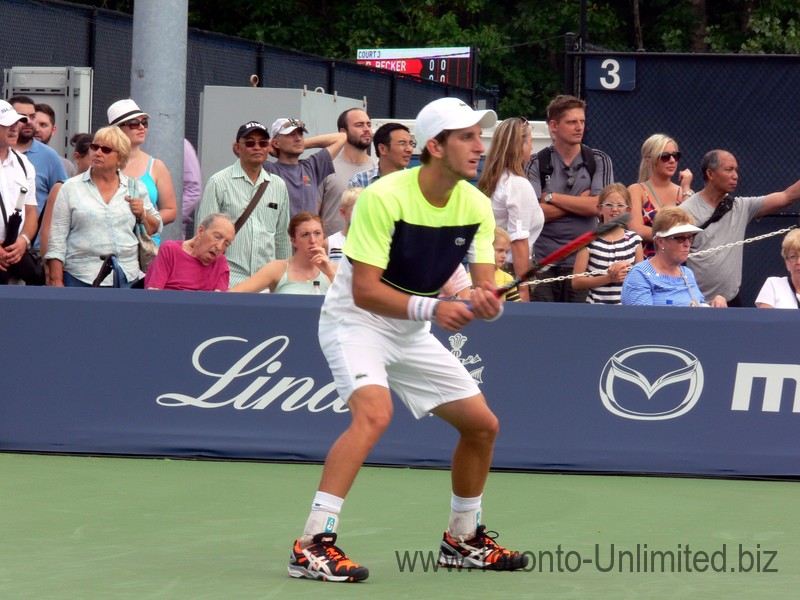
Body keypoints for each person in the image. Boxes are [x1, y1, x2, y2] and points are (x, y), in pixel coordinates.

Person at [287, 97, 527, 584]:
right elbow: (366, 290)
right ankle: (311, 545)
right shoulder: (383, 196)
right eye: (467, 137)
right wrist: (436, 308)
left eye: (480, 137)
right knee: (375, 413)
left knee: (482, 426)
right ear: (435, 147)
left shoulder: (477, 205)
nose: (480, 147)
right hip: (356, 321)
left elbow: (483, 287)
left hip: (412, 328)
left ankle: (462, 539)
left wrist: (486, 303)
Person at [45, 126, 162, 287]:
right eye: (94, 147)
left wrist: (142, 213)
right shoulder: (70, 188)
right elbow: (57, 240)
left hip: (126, 278)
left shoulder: (135, 187)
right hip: (79, 278)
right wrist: (56, 281)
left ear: (120, 157)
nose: (98, 153)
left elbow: (155, 227)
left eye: (106, 149)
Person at [681, 149, 800, 306]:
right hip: (694, 303)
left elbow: (786, 196)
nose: (735, 176)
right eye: (729, 169)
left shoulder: (741, 206)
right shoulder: (685, 211)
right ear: (710, 174)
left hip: (730, 302)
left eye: (736, 170)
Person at [525, 95, 614, 302]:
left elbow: (598, 207)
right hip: (544, 262)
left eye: (582, 121)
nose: (579, 127)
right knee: (544, 327)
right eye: (572, 122)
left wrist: (551, 196)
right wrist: (579, 201)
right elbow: (535, 215)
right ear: (554, 126)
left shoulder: (599, 160)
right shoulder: (537, 163)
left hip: (585, 262)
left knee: (580, 330)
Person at [195, 121, 291, 287]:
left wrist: (282, 282)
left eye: (262, 143)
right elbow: (203, 238)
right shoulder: (218, 182)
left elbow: (282, 239)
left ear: (268, 148)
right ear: (237, 148)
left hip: (266, 283)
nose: (257, 147)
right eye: (249, 143)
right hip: (227, 280)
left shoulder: (279, 185)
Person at [478, 117, 544, 301]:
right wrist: (522, 288)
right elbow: (519, 239)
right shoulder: (517, 184)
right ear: (520, 145)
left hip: (490, 265)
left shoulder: (494, 179)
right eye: (530, 141)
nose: (532, 147)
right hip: (510, 269)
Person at [621, 207, 726, 307]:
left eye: (690, 237)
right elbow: (642, 321)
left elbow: (697, 308)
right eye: (680, 238)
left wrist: (714, 304)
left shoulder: (687, 273)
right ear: (660, 241)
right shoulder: (640, 274)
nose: (687, 244)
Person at [107, 99, 177, 243]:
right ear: (117, 129)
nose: (141, 127)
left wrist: (146, 216)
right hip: (111, 245)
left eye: (144, 122)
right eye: (133, 123)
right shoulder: (105, 164)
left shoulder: (156, 166)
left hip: (146, 250)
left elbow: (170, 210)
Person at [9, 95, 67, 251]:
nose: (28, 121)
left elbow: (63, 202)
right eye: (22, 116)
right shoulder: (4, 154)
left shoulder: (49, 157)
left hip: (33, 249)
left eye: (32, 116)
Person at [572, 184, 643, 304]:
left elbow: (642, 278)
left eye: (620, 205)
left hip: (627, 309)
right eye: (609, 205)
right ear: (600, 208)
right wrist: (608, 278)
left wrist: (627, 267)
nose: (614, 209)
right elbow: (576, 282)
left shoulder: (634, 240)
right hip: (596, 310)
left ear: (628, 210)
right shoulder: (588, 242)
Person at [230, 212, 335, 294]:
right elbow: (234, 294)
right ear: (294, 241)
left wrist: (330, 273)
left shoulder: (335, 270)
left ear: (323, 236)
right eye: (305, 234)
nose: (312, 240)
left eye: (317, 233)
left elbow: (348, 304)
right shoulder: (278, 268)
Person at [628, 134, 693, 257]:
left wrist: (686, 188)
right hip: (646, 264)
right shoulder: (637, 190)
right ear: (649, 161)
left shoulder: (684, 192)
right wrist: (674, 235)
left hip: (677, 264)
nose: (672, 160)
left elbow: (688, 227)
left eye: (675, 155)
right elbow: (636, 230)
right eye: (665, 156)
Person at [264, 117, 346, 216]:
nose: (298, 138)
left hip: (309, 231)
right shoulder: (268, 169)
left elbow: (342, 137)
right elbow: (242, 152)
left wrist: (302, 144)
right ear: (275, 143)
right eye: (291, 135)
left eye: (300, 134)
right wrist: (268, 146)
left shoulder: (311, 166)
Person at [318, 108, 378, 235]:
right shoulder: (326, 167)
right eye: (359, 125)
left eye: (368, 124)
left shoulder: (378, 170)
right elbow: (313, 216)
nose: (367, 129)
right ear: (342, 132)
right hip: (330, 251)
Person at [0, 100, 38, 285]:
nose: (14, 128)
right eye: (7, 124)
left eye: (16, 123)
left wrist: (23, 241)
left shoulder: (25, 165)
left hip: (16, 254)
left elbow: (31, 212)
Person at [145, 213, 234, 291]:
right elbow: (153, 294)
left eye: (226, 244)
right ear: (201, 231)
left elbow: (219, 303)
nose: (219, 246)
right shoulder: (170, 250)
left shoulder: (220, 263)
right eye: (217, 237)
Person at [39, 133, 94, 257]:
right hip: (67, 262)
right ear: (77, 157)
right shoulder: (62, 188)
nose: (98, 160)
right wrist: (49, 269)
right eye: (92, 157)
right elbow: (47, 232)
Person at [348, 122, 415, 188]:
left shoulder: (417, 182)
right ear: (382, 149)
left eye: (411, 144)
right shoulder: (360, 181)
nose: (409, 149)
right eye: (402, 143)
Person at [755, 229, 800, 308]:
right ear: (787, 263)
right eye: (793, 256)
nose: (798, 262)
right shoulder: (773, 285)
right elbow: (765, 319)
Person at [33, 102, 76, 178]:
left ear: (53, 130)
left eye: (43, 125)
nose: (37, 129)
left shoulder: (66, 167)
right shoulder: (14, 161)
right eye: (33, 124)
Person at [326, 187, 361, 264]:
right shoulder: (330, 243)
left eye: (363, 209)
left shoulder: (372, 242)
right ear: (343, 212)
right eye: (355, 209)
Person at [487, 227, 521, 302]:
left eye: (506, 252)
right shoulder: (468, 278)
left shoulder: (508, 278)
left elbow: (516, 307)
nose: (504, 256)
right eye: (500, 251)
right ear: (486, 248)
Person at [182, 139, 203, 239]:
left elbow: (193, 190)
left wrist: (168, 217)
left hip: (166, 231)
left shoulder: (181, 145)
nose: (141, 126)